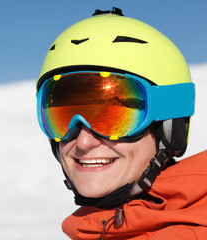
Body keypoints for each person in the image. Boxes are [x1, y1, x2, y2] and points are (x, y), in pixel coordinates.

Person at [36, 7, 207, 239]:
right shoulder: (98, 228)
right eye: (64, 118)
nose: (83, 141)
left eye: (115, 117)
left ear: (168, 127)